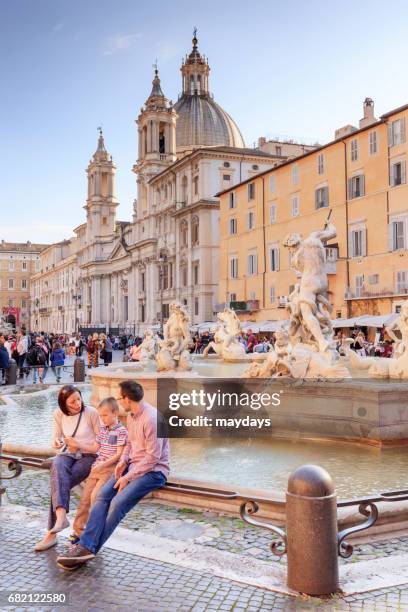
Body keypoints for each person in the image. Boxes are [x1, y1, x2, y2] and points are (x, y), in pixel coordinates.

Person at [57, 380, 169, 567]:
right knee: (101, 497)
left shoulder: (151, 419)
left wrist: (127, 476)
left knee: (117, 503)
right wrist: (123, 461)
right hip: (132, 466)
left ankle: (87, 548)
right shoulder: (133, 416)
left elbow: (152, 458)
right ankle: (86, 546)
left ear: (127, 399)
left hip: (154, 472)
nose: (119, 401)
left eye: (119, 398)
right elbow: (130, 445)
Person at [34, 385, 100, 552]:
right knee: (57, 462)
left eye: (79, 399)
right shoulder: (58, 414)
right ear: (63, 403)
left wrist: (78, 444)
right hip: (68, 455)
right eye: (72, 402)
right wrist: (57, 442)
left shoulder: (91, 413)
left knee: (58, 484)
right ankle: (61, 517)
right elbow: (56, 439)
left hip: (88, 456)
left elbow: (101, 444)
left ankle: (51, 534)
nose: (77, 403)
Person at [68, 397, 128, 544]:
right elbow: (96, 447)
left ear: (115, 413)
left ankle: (93, 532)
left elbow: (119, 454)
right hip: (97, 467)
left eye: (105, 415)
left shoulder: (121, 431)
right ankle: (78, 531)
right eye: (101, 415)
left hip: (108, 469)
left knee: (95, 497)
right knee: (84, 499)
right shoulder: (102, 429)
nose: (103, 418)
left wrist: (103, 465)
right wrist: (78, 444)